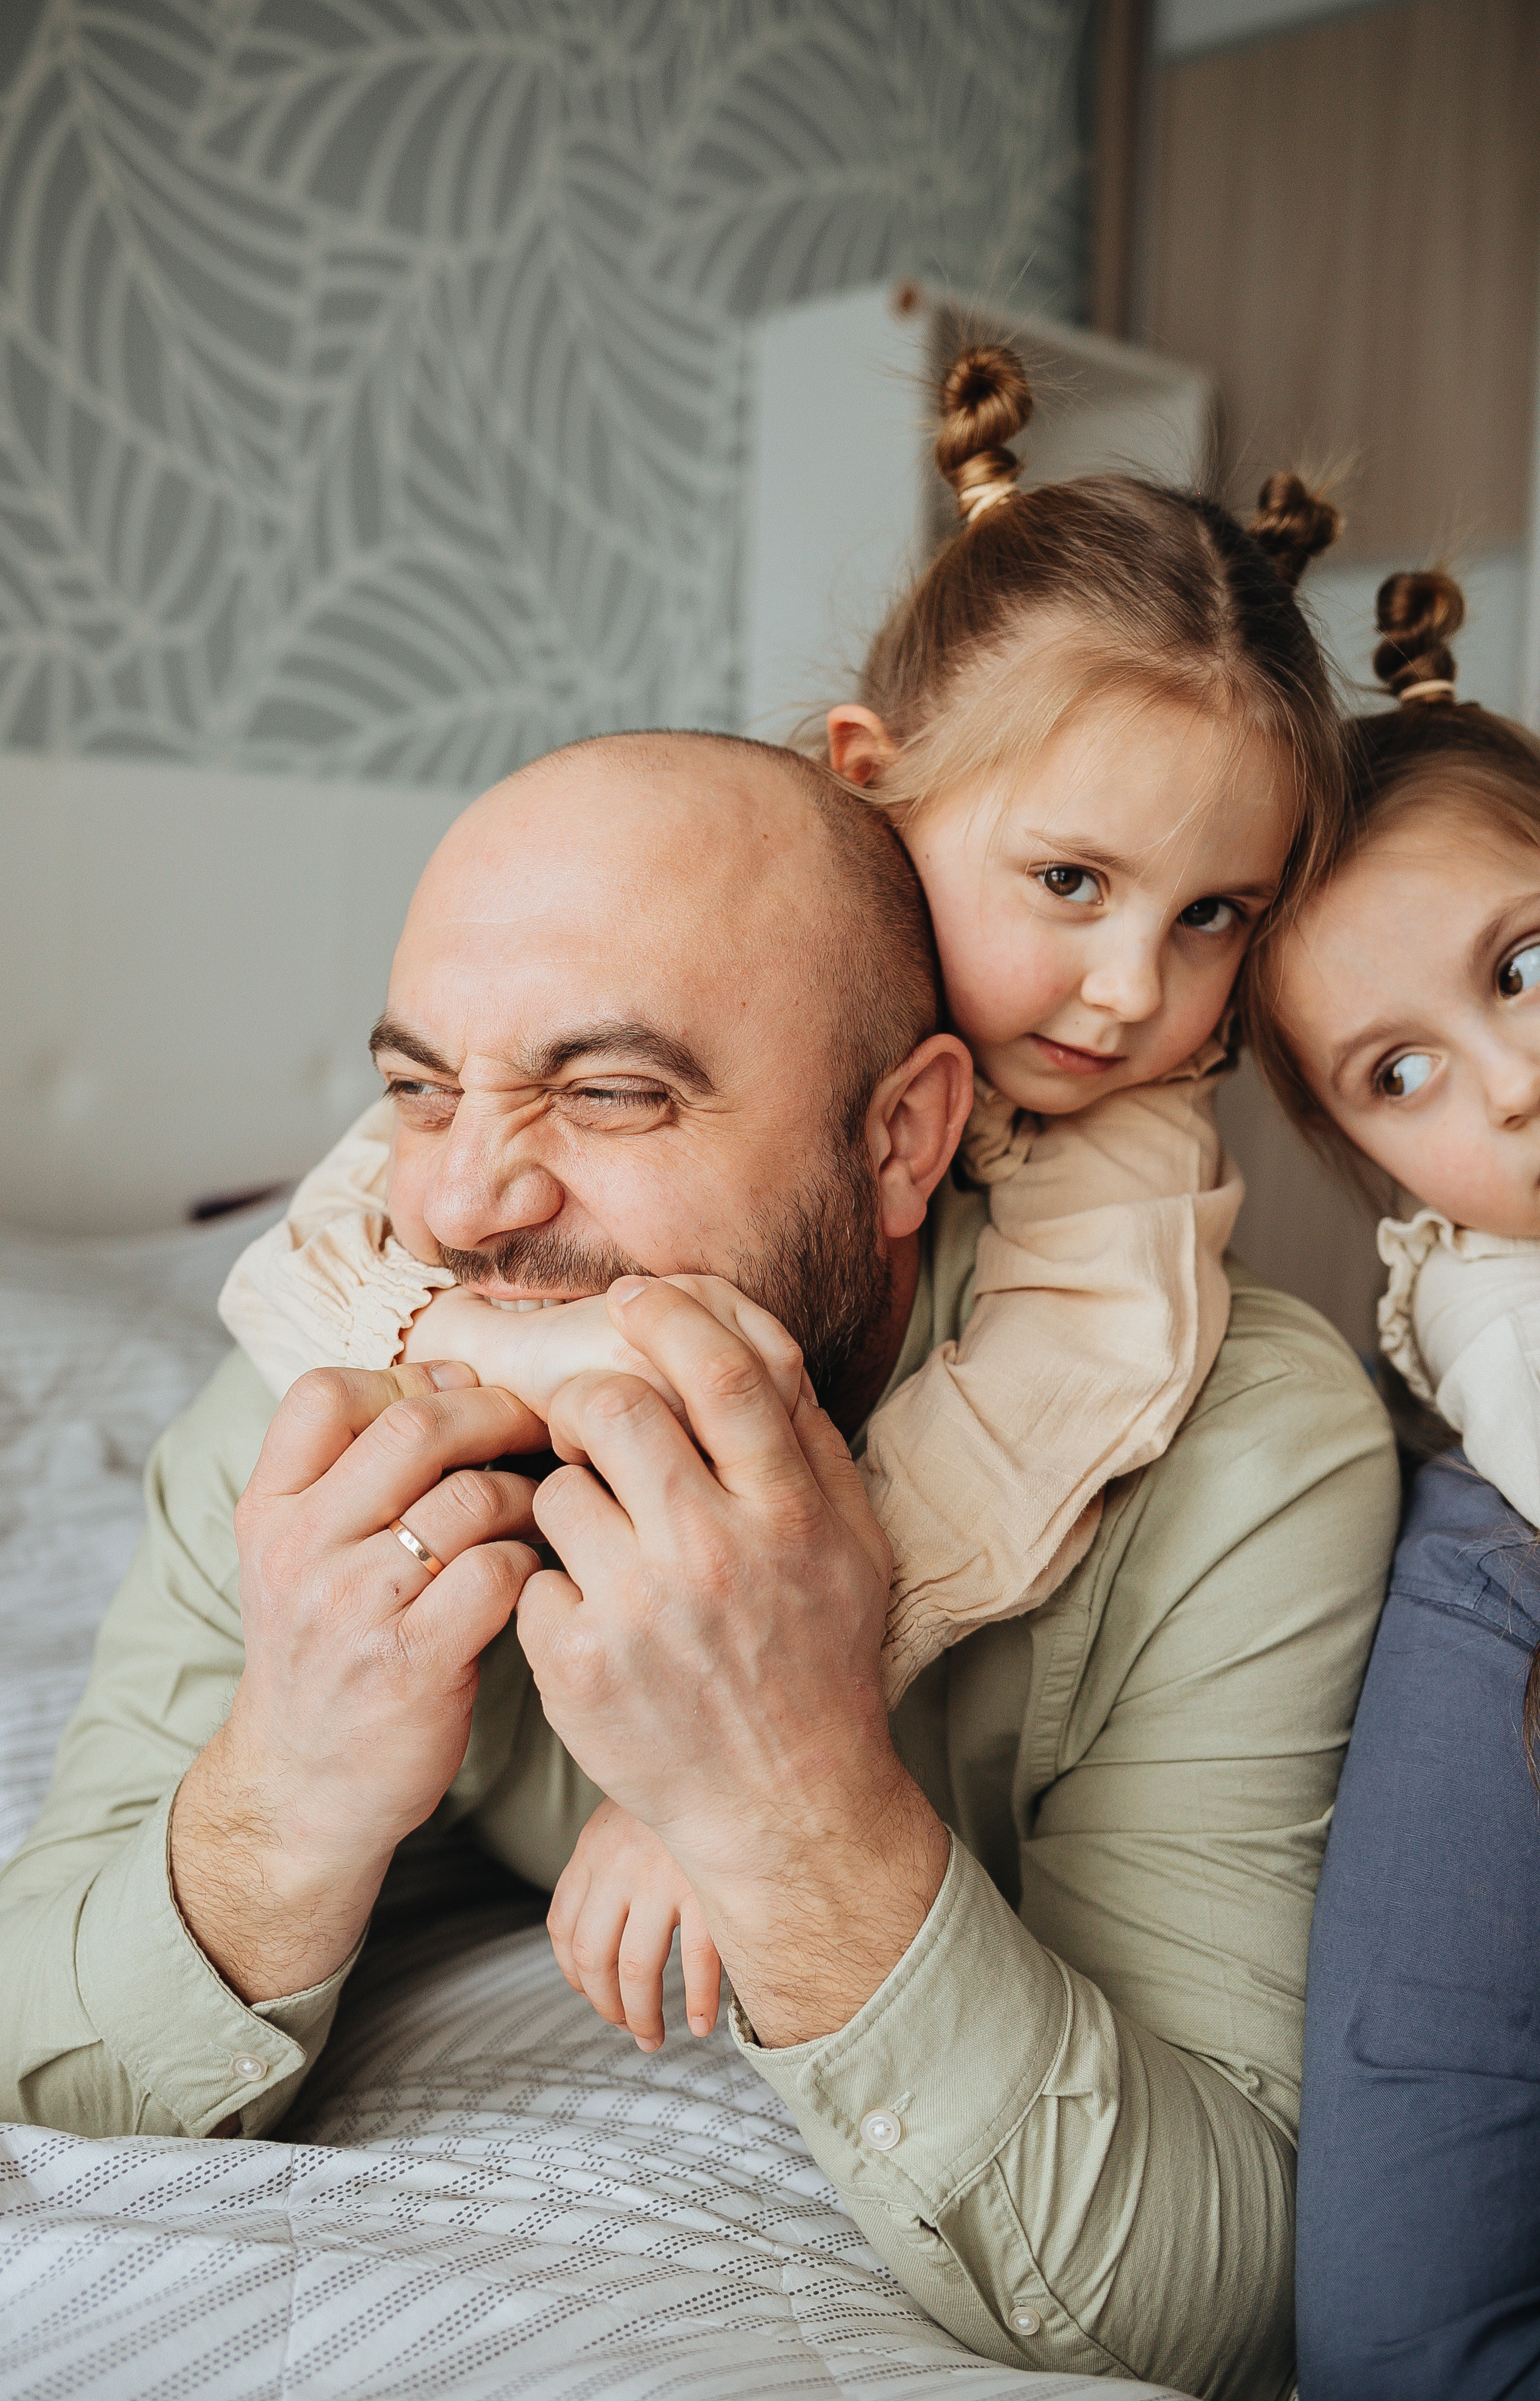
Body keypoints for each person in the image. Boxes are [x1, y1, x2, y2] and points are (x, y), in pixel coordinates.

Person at [0, 730, 1396, 2401]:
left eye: (612, 1091)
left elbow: (1213, 2305)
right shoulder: (309, 1413)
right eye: (420, 1089)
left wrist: (787, 1804)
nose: (470, 1202)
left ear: (903, 1139)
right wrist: (289, 1783)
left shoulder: (1238, 1460)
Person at [218, 342, 1347, 2050]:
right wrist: (470, 1340)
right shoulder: (682, 949)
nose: (1130, 993)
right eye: (1068, 881)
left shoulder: (1126, 1148)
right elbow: (342, 1226)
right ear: (868, 772)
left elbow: (992, 1471)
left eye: (1214, 917)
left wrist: (713, 1778)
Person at [1243, 571, 1540, 2398]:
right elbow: (1402, 2347)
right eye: (1400, 1072)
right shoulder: (1486, 1350)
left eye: (1523, 962)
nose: (1510, 1085)